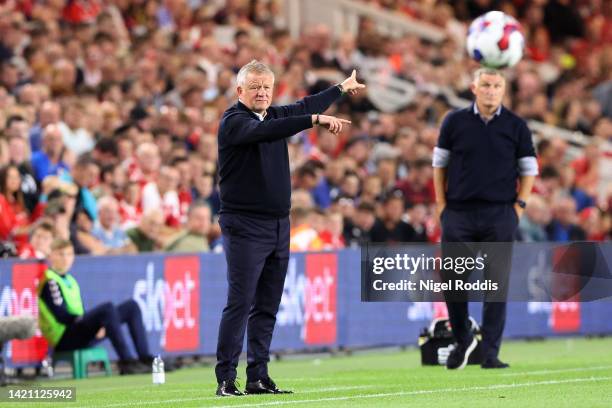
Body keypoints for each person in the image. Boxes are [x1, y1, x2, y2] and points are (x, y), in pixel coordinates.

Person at [215, 60, 364, 397]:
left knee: (267, 304)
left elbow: (303, 105)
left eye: (266, 87)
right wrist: (313, 121)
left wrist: (339, 89)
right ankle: (225, 377)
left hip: (279, 224)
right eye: (254, 87)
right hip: (245, 224)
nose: (262, 92)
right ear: (240, 91)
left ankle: (258, 376)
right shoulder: (234, 121)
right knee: (240, 302)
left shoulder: (275, 116)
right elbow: (271, 129)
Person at [432, 68, 538, 370]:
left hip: (500, 213)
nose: (491, 90)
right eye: (486, 85)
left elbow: (529, 168)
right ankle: (463, 339)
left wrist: (519, 206)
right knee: (453, 282)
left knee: (496, 286)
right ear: (473, 87)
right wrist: (442, 204)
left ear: (504, 90)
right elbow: (439, 164)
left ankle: (490, 353)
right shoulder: (454, 121)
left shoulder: (516, 126)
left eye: (497, 86)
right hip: (459, 213)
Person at [37, 239, 152, 375]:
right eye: (61, 254)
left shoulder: (70, 280)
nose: (66, 259)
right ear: (51, 256)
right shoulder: (50, 281)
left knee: (131, 306)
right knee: (107, 309)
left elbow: (80, 312)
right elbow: (61, 316)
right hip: (63, 338)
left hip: (78, 331)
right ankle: (127, 361)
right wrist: (93, 323)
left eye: (69, 254)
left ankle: (145, 358)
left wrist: (98, 325)